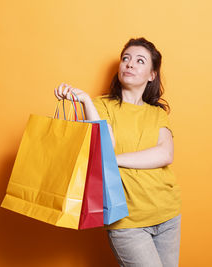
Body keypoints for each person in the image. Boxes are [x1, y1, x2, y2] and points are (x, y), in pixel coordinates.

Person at [54, 37, 182, 267]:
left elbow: (165, 154)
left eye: (140, 60)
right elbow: (105, 147)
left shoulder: (157, 113)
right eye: (126, 59)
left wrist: (113, 160)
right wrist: (85, 102)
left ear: (152, 75)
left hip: (167, 213)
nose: (130, 64)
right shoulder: (100, 105)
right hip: (127, 220)